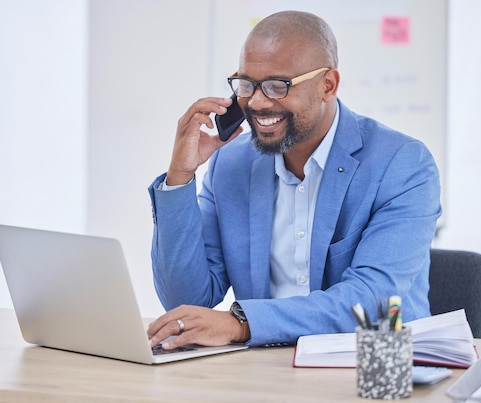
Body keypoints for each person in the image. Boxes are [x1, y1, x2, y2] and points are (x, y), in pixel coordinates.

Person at [146, 10, 441, 350]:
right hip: (263, 371)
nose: (256, 102)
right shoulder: (231, 164)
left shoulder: (402, 164)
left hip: (374, 369)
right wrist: (180, 177)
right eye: (246, 85)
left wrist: (242, 323)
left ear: (327, 85)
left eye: (276, 86)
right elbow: (186, 299)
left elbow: (371, 301)